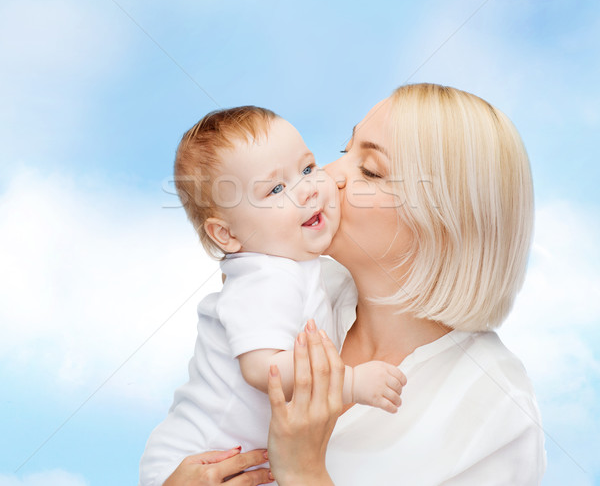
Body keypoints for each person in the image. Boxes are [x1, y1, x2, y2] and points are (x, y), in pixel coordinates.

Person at [160, 83, 547, 486]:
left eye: (371, 170)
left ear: (447, 223)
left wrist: (303, 471)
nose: (328, 176)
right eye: (346, 151)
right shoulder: (300, 290)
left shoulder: (498, 409)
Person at [139, 106, 406, 486]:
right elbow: (264, 369)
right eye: (277, 189)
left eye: (309, 168)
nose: (308, 188)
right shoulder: (266, 277)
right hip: (197, 460)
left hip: (240, 462)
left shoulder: (302, 267)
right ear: (228, 236)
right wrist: (351, 383)